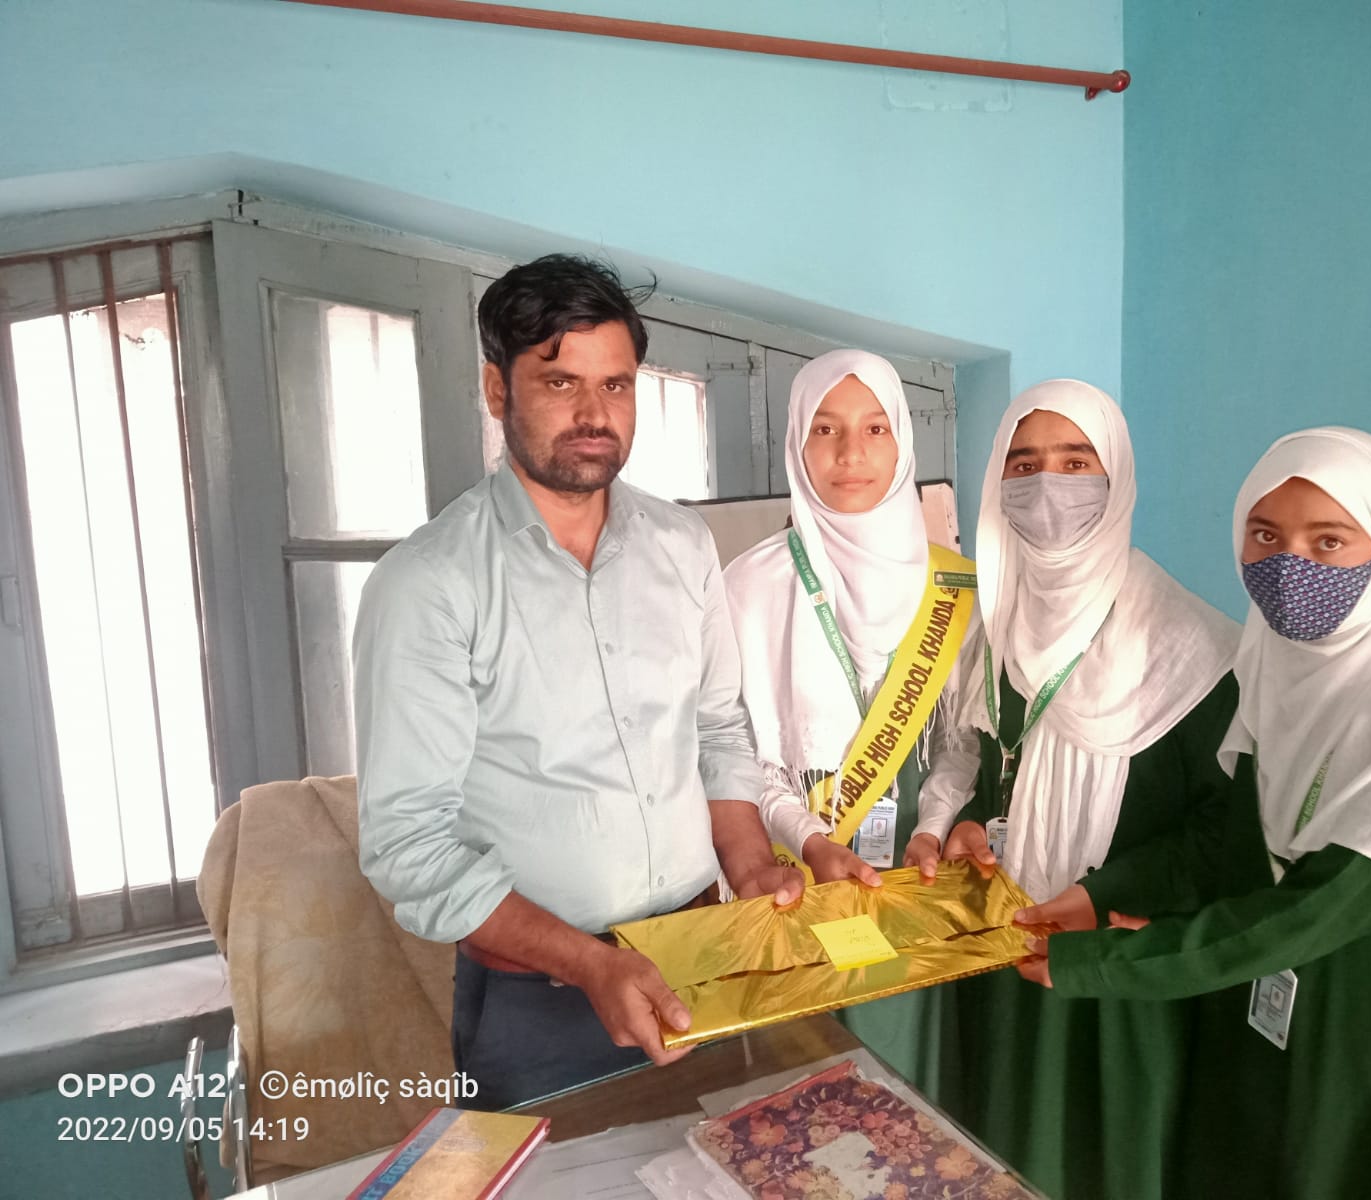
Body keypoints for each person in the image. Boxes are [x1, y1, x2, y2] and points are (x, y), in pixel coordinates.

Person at [1018, 426, 1371, 1199]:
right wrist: (1101, 894)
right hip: (1274, 994)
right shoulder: (1272, 659)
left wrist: (1106, 964)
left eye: (1329, 541)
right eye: (1265, 536)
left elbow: (1319, 907)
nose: (1290, 565)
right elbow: (1230, 832)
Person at [353, 254, 803, 1111]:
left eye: (616, 385)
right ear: (497, 387)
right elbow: (408, 843)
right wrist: (591, 963)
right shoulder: (429, 584)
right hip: (538, 998)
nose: (595, 415)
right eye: (560, 383)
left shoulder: (682, 547)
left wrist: (750, 868)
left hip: (702, 957)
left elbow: (715, 731)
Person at [910, 379, 1245, 1200]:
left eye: (1074, 462)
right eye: (1023, 465)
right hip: (1007, 948)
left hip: (1119, 968)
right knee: (995, 1145)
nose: (1048, 487)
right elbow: (997, 767)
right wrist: (974, 826)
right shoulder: (998, 628)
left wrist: (1103, 897)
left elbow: (1223, 833)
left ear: (1117, 476)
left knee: (1103, 1160)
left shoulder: (1193, 648)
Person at [722, 349, 980, 1081]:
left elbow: (964, 740)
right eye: (825, 429)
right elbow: (735, 754)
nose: (851, 453)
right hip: (797, 882)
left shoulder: (958, 589)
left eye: (874, 428)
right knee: (803, 1082)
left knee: (917, 1084)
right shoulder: (748, 587)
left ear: (903, 443)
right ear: (797, 445)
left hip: (917, 884)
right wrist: (807, 841)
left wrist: (932, 829)